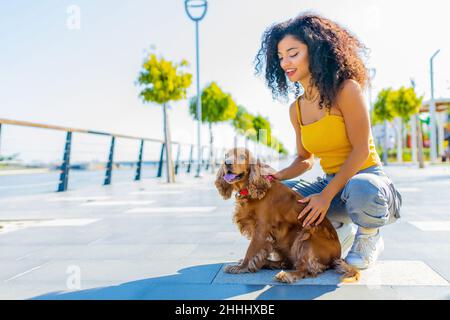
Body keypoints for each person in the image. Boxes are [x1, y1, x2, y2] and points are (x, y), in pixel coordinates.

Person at [254, 13, 402, 269]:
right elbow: (304, 159)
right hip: (333, 183)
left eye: (293, 53)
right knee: (278, 200)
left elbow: (360, 149)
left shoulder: (346, 90)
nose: (285, 62)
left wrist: (325, 196)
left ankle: (369, 236)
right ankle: (339, 229)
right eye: (280, 57)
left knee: (360, 187)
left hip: (370, 182)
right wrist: (277, 177)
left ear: (314, 50)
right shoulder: (296, 109)